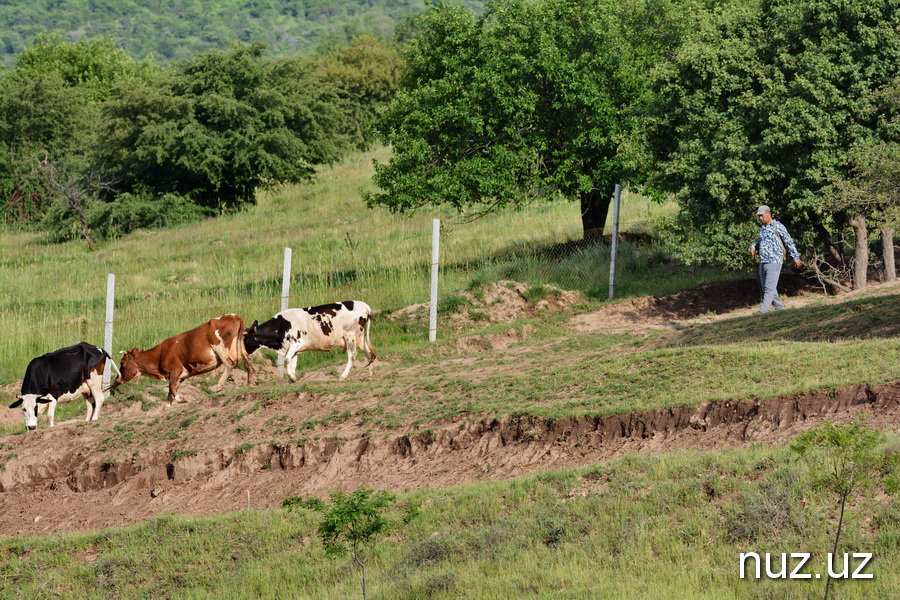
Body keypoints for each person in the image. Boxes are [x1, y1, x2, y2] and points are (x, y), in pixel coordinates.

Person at [749, 205, 802, 314]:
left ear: (768, 214)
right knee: (767, 287)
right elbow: (759, 242)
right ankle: (779, 308)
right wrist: (753, 246)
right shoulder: (763, 228)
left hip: (774, 261)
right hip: (763, 261)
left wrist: (796, 257)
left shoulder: (778, 226)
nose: (760, 218)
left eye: (761, 216)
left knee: (769, 288)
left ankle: (763, 311)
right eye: (759, 216)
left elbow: (789, 241)